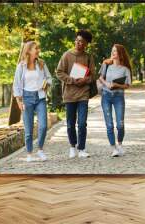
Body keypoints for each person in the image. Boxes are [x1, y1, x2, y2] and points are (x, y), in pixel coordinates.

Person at [56, 30, 96, 158]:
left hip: (83, 94)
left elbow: (93, 75)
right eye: (77, 40)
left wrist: (86, 79)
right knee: (70, 123)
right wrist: (72, 80)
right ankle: (72, 146)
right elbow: (59, 72)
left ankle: (82, 149)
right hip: (69, 94)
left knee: (82, 122)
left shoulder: (88, 57)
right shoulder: (66, 55)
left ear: (86, 44)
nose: (78, 43)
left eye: (82, 42)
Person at [13, 41, 52, 162]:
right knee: (28, 130)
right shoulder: (21, 66)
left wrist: (46, 84)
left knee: (44, 126)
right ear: (29, 50)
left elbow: (49, 78)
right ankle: (29, 153)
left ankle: (40, 150)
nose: (38, 50)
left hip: (40, 97)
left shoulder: (41, 63)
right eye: (36, 48)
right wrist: (19, 101)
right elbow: (17, 84)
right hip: (26, 98)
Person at [98, 44, 132, 157]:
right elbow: (100, 77)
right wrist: (106, 83)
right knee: (109, 124)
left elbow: (128, 85)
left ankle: (120, 144)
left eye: (115, 51)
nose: (113, 53)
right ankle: (113, 148)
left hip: (119, 97)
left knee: (120, 124)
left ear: (120, 53)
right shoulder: (106, 64)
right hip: (106, 96)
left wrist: (117, 84)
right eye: (112, 51)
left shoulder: (125, 69)